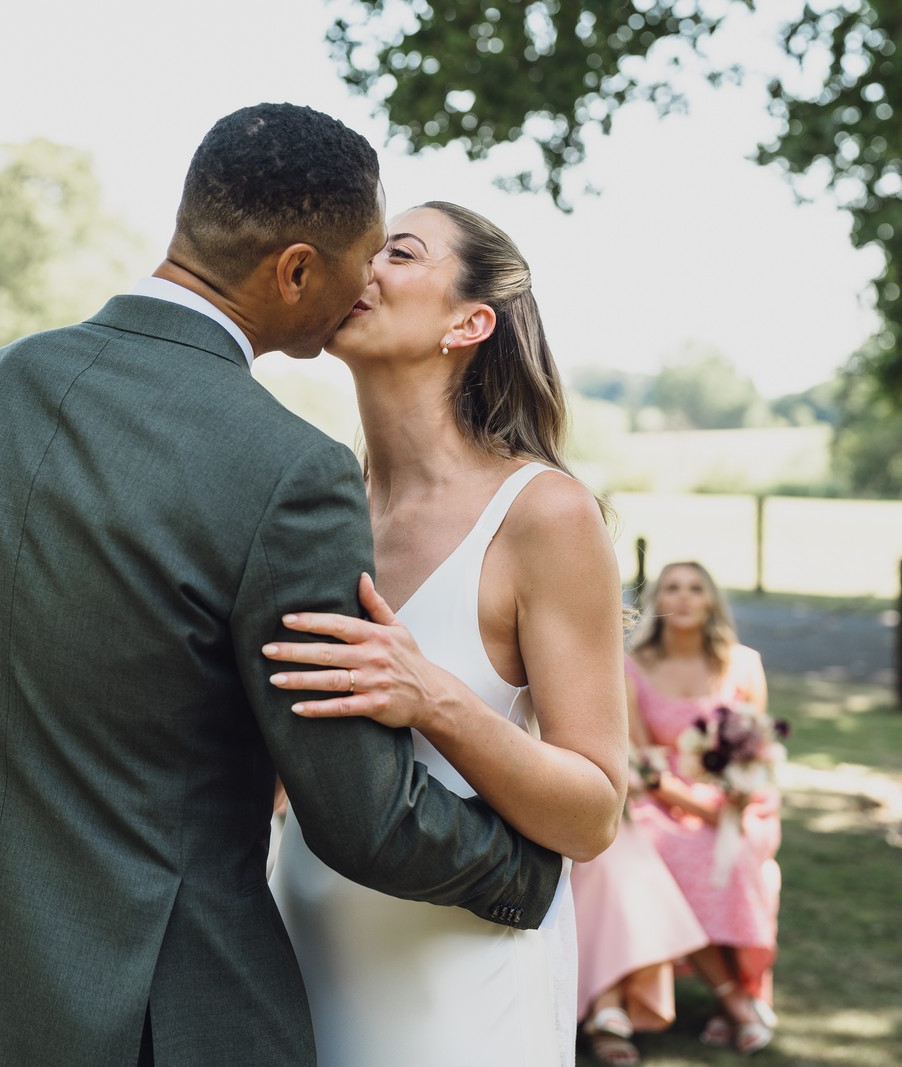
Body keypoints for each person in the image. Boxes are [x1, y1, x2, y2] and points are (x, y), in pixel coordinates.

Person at [0, 104, 561, 1067]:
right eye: (359, 258)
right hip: (153, 1015)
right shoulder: (288, 470)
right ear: (297, 269)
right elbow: (358, 813)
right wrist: (524, 870)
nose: (363, 287)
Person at [261, 201, 628, 1065]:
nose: (365, 265)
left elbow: (594, 812)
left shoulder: (544, 515)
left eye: (401, 251)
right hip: (298, 959)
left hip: (460, 994)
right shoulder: (322, 510)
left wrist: (433, 698)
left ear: (470, 322)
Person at [626, 561, 779, 1055]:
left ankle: (737, 998)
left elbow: (758, 749)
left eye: (696, 588)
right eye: (673, 588)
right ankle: (734, 1001)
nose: (685, 597)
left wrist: (730, 802)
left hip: (737, 801)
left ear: (711, 600)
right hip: (661, 798)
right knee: (667, 853)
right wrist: (691, 804)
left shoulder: (743, 663)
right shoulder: (632, 668)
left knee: (735, 858)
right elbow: (644, 764)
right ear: (658, 602)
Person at [571, 798, 708, 1065]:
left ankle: (607, 1002)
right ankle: (608, 1001)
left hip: (627, 821)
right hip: (578, 816)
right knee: (609, 869)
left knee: (642, 873)